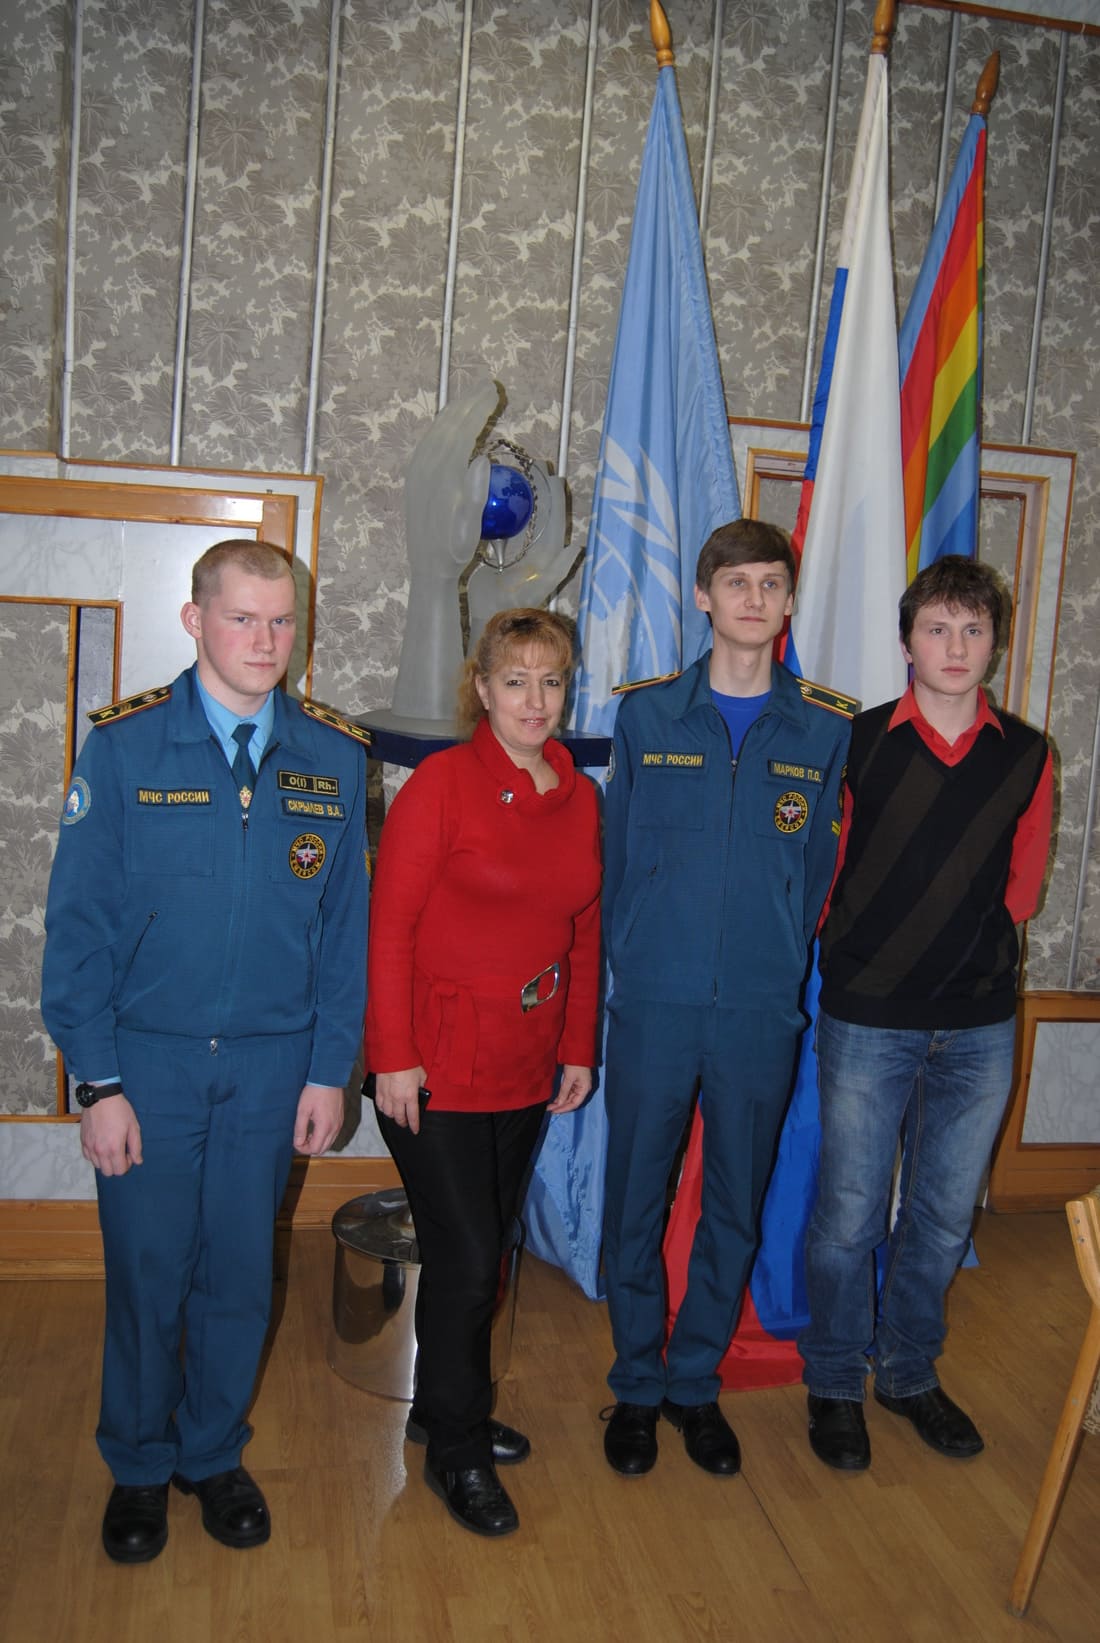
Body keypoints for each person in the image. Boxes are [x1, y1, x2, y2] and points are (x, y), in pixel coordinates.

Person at [40, 539, 370, 1563]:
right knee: (149, 1271)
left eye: (281, 620)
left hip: (273, 1066)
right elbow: (78, 930)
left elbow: (344, 935)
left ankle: (211, 1451)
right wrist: (97, 1081)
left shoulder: (333, 757)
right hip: (150, 1065)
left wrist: (329, 1068)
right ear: (195, 620)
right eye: (242, 618)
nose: (265, 641)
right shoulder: (126, 748)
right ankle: (140, 1462)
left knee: (239, 1271)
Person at [600, 518, 853, 1478]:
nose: (754, 598)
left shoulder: (825, 729)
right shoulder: (646, 718)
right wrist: (637, 961)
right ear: (703, 597)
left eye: (771, 583)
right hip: (656, 1003)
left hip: (758, 1008)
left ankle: (694, 1383)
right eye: (736, 582)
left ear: (788, 603)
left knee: (735, 1205)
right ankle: (636, 1381)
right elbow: (617, 858)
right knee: (636, 1197)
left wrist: (777, 958)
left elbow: (818, 869)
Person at [800, 556, 1054, 1472]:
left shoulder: (1028, 754)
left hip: (980, 1025)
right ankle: (835, 1380)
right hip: (868, 1015)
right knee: (849, 1216)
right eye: (938, 628)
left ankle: (908, 1373)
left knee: (943, 1217)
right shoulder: (858, 743)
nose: (955, 646)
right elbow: (823, 876)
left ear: (995, 644)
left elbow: (1021, 892)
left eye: (973, 630)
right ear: (907, 641)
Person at [364, 608, 601, 1537]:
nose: (534, 700)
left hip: (525, 1064)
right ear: (482, 687)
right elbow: (389, 929)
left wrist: (576, 1045)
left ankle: (441, 1405)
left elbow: (581, 930)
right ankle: (454, 1451)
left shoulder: (579, 798)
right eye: (515, 680)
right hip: (432, 1067)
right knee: (465, 1262)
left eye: (551, 681)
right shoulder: (441, 785)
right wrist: (391, 1055)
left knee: (486, 1252)